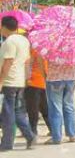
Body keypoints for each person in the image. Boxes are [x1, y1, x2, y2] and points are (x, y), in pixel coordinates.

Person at [0, 16, 36, 151]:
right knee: (18, 111)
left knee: (8, 113)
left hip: (9, 81)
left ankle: (7, 143)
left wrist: (1, 81)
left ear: (4, 27)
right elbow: (27, 61)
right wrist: (26, 78)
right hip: (19, 81)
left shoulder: (9, 42)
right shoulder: (24, 40)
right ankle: (30, 136)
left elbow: (8, 62)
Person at [25, 44, 51, 137]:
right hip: (42, 82)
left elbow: (28, 65)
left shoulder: (33, 51)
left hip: (33, 82)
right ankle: (52, 128)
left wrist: (27, 79)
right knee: (44, 107)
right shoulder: (45, 50)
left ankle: (33, 130)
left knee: (32, 109)